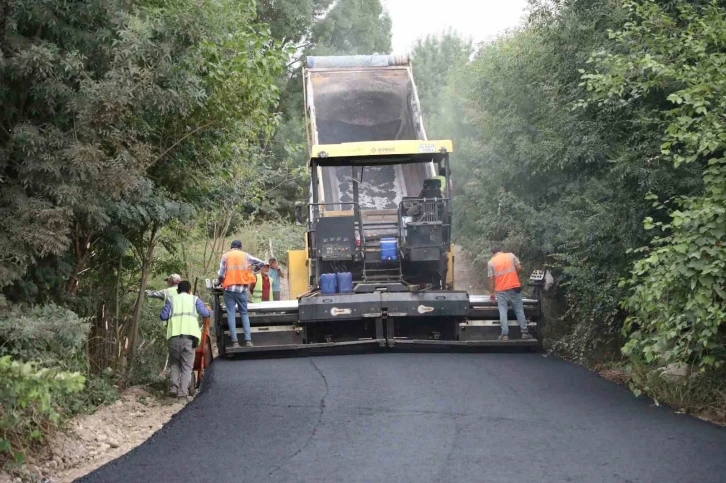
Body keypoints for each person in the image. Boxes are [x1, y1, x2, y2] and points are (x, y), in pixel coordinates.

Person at [159, 280, 210, 398]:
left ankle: (173, 387)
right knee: (187, 367)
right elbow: (205, 314)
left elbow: (163, 316)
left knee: (175, 364)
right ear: (189, 290)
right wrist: (208, 309)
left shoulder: (171, 300)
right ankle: (182, 394)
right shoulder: (194, 299)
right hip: (189, 339)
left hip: (173, 338)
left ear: (177, 291)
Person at [218, 240, 264, 348]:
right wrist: (252, 272)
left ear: (231, 247)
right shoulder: (245, 256)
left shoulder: (225, 256)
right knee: (244, 314)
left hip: (229, 289)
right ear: (240, 247)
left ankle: (235, 342)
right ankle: (248, 340)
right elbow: (261, 263)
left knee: (231, 314)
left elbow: (221, 274)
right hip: (242, 289)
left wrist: (219, 282)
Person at [488, 247, 532, 341]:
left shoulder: (491, 262)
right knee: (519, 310)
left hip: (501, 290)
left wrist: (491, 293)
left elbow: (491, 279)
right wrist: (514, 276)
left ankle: (505, 335)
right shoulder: (510, 255)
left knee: (503, 312)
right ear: (501, 251)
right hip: (514, 288)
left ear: (492, 253)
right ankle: (525, 333)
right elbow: (519, 267)